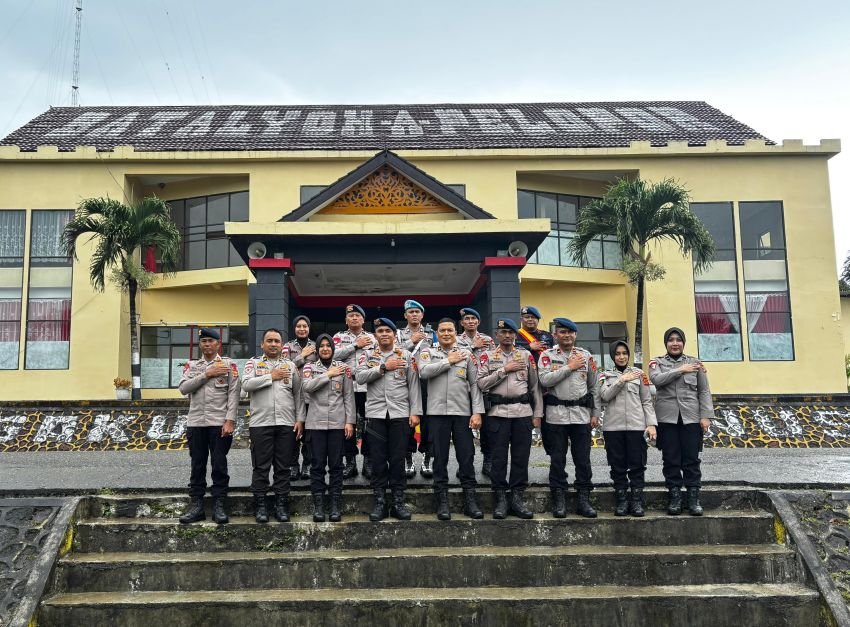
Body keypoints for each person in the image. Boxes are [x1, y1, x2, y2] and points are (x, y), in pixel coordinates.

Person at [416, 318, 484, 520]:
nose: (446, 333)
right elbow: (423, 372)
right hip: (436, 414)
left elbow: (475, 385)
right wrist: (448, 361)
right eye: (442, 330)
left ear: (456, 332)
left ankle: (470, 500)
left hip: (462, 413)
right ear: (437, 333)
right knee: (439, 458)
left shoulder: (466, 354)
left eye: (450, 330)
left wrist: (477, 412)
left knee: (466, 456)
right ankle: (442, 501)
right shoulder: (428, 352)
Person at [356, 317, 422, 522]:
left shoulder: (406, 356)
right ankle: (380, 502)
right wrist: (383, 367)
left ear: (394, 335)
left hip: (400, 414)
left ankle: (398, 502)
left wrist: (415, 412)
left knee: (397, 458)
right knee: (377, 459)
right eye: (380, 331)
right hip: (376, 415)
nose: (384, 334)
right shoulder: (369, 355)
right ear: (375, 335)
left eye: (388, 331)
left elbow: (414, 386)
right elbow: (359, 377)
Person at [477, 318, 543, 519]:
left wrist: (538, 413)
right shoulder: (487, 356)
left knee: (521, 457)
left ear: (515, 335)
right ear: (496, 335)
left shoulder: (526, 356)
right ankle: (501, 499)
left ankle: (516, 497)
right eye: (503, 332)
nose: (507, 335)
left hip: (522, 413)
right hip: (497, 414)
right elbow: (481, 384)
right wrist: (504, 370)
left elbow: (535, 386)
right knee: (498, 458)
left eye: (510, 332)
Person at [177, 328, 240, 525]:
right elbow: (183, 388)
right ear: (200, 344)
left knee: (219, 464)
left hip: (219, 423)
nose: (207, 344)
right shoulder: (192, 365)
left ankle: (219, 505)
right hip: (196, 423)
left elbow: (234, 394)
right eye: (203, 341)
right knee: (197, 465)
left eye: (210, 341)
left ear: (218, 344)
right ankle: (197, 506)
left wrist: (230, 420)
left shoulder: (228, 365)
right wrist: (206, 374)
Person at [537, 318, 599, 519]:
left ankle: (584, 499)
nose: (566, 335)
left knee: (583, 460)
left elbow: (594, 387)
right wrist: (569, 367)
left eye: (570, 332)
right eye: (562, 332)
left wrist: (595, 413)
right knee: (557, 459)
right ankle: (559, 498)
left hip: (581, 416)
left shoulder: (586, 356)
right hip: (556, 416)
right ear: (555, 335)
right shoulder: (547, 356)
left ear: (575, 335)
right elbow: (544, 380)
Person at [648, 327, 714, 516]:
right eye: (671, 340)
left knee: (691, 459)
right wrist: (680, 370)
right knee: (671, 459)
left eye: (678, 340)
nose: (675, 343)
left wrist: (705, 415)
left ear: (683, 343)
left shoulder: (695, 363)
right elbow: (657, 380)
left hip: (691, 418)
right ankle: (675, 497)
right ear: (666, 343)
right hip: (666, 419)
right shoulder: (656, 362)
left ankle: (693, 499)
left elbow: (704, 390)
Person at [242, 328, 305, 523]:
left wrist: (300, 419)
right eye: (269, 341)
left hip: (286, 423)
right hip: (261, 423)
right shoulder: (253, 363)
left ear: (282, 345)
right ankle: (261, 505)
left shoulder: (290, 366)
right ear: (262, 344)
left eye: (277, 341)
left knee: (283, 467)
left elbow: (298, 395)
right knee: (261, 466)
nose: (273, 344)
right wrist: (271, 376)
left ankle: (281, 504)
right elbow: (246, 385)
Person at [596, 340, 657, 517]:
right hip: (613, 428)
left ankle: (636, 501)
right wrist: (621, 380)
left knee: (638, 464)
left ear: (628, 355)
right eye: (617, 354)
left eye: (624, 353)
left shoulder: (639, 374)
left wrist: (651, 424)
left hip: (636, 427)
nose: (621, 357)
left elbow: (646, 401)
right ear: (612, 356)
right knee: (617, 465)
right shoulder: (604, 376)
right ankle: (622, 501)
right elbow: (605, 396)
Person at [299, 334, 355, 522]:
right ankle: (319, 506)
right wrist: (327, 375)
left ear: (333, 348)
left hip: (338, 424)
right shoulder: (310, 367)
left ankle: (335, 505)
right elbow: (307, 387)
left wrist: (350, 421)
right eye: (321, 346)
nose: (325, 348)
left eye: (328, 345)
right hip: (316, 424)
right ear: (317, 350)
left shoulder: (343, 369)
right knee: (317, 465)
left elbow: (348, 397)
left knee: (336, 466)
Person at [333, 304, 376, 479]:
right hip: (346, 388)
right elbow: (331, 356)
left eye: (358, 315)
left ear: (363, 320)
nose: (354, 318)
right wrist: (355, 346)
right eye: (351, 316)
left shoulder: (372, 338)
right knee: (347, 424)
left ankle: (368, 461)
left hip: (368, 388)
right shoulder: (338, 337)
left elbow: (378, 358)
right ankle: (350, 462)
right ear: (346, 320)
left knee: (369, 425)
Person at [396, 299, 435, 478]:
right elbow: (393, 352)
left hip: (427, 382)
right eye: (410, 312)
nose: (414, 314)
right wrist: (411, 341)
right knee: (407, 421)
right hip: (404, 382)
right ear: (405, 315)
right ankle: (408, 456)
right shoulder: (398, 334)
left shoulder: (432, 334)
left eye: (417, 312)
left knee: (428, 421)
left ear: (422, 315)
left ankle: (427, 456)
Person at [456, 307, 496, 477]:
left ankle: (488, 460)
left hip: (485, 388)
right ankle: (465, 464)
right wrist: (473, 346)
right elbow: (456, 358)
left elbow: (494, 360)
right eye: (467, 319)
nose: (470, 321)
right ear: (462, 322)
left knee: (488, 428)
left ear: (479, 322)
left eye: (473, 318)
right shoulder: (456, 340)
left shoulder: (488, 340)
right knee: (464, 431)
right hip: (464, 388)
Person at [515, 305, 554, 450]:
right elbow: (510, 351)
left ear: (538, 320)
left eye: (533, 317)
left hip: (545, 385)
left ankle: (551, 454)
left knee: (548, 425)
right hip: (524, 384)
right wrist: (529, 348)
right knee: (524, 425)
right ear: (521, 319)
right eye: (527, 317)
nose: (530, 320)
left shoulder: (547, 336)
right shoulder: (515, 335)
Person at [283, 314, 317, 482]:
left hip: (311, 396)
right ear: (294, 328)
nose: (302, 329)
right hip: (291, 395)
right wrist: (302, 356)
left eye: (305, 326)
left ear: (309, 328)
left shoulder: (316, 346)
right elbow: (284, 367)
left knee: (309, 434)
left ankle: (307, 464)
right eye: (299, 326)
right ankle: (293, 465)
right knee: (293, 433)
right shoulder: (287, 346)